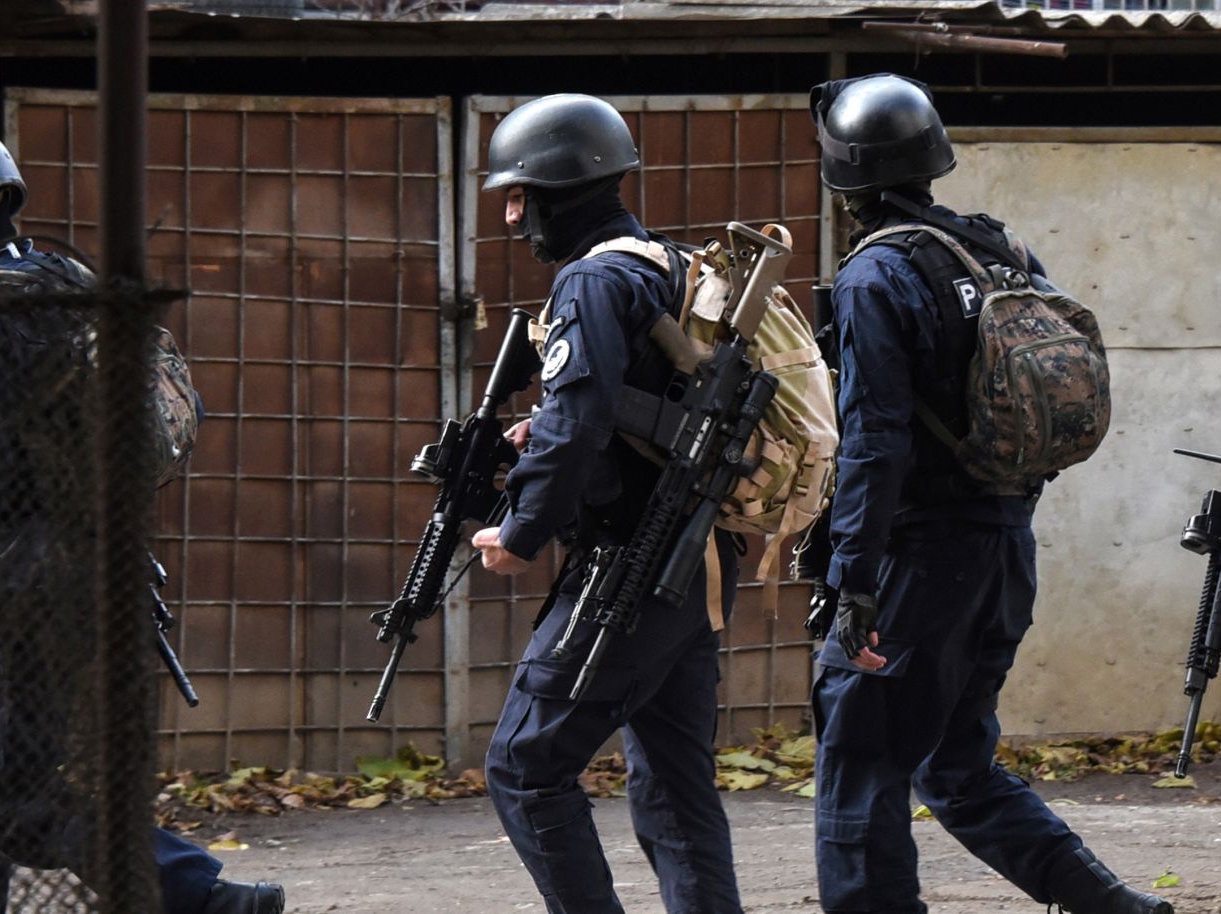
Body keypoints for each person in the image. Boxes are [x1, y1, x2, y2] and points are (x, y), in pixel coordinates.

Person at [0, 122, 284, 914]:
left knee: (14, 799)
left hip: (31, 583)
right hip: (77, 562)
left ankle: (208, 899)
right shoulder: (59, 277)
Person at [806, 74, 1171, 914]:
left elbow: (875, 440)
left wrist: (852, 577)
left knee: (861, 766)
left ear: (845, 176)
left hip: (915, 562)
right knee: (955, 765)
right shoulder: (996, 252)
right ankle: (1119, 907)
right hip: (1002, 549)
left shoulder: (874, 277)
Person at [468, 94, 743, 914]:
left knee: (524, 766)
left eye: (520, 196)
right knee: (673, 788)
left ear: (562, 189)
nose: (514, 217)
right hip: (695, 565)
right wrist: (539, 428)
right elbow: (613, 410)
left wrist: (521, 531)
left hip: (632, 563)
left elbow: (580, 423)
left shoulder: (592, 280)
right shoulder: (667, 263)